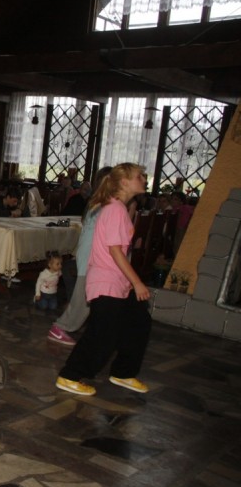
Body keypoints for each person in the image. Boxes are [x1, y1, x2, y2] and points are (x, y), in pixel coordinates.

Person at [56, 163, 151, 396]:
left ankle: (124, 372)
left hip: (117, 281)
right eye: (139, 176)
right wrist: (137, 282)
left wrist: (129, 282)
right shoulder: (115, 209)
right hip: (106, 281)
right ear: (124, 182)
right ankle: (70, 375)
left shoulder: (117, 207)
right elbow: (115, 251)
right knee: (102, 334)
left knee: (138, 322)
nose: (144, 179)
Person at [48, 166, 113, 346]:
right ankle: (61, 327)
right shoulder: (101, 205)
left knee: (88, 296)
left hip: (92, 256)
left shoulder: (100, 203)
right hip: (91, 257)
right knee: (83, 298)